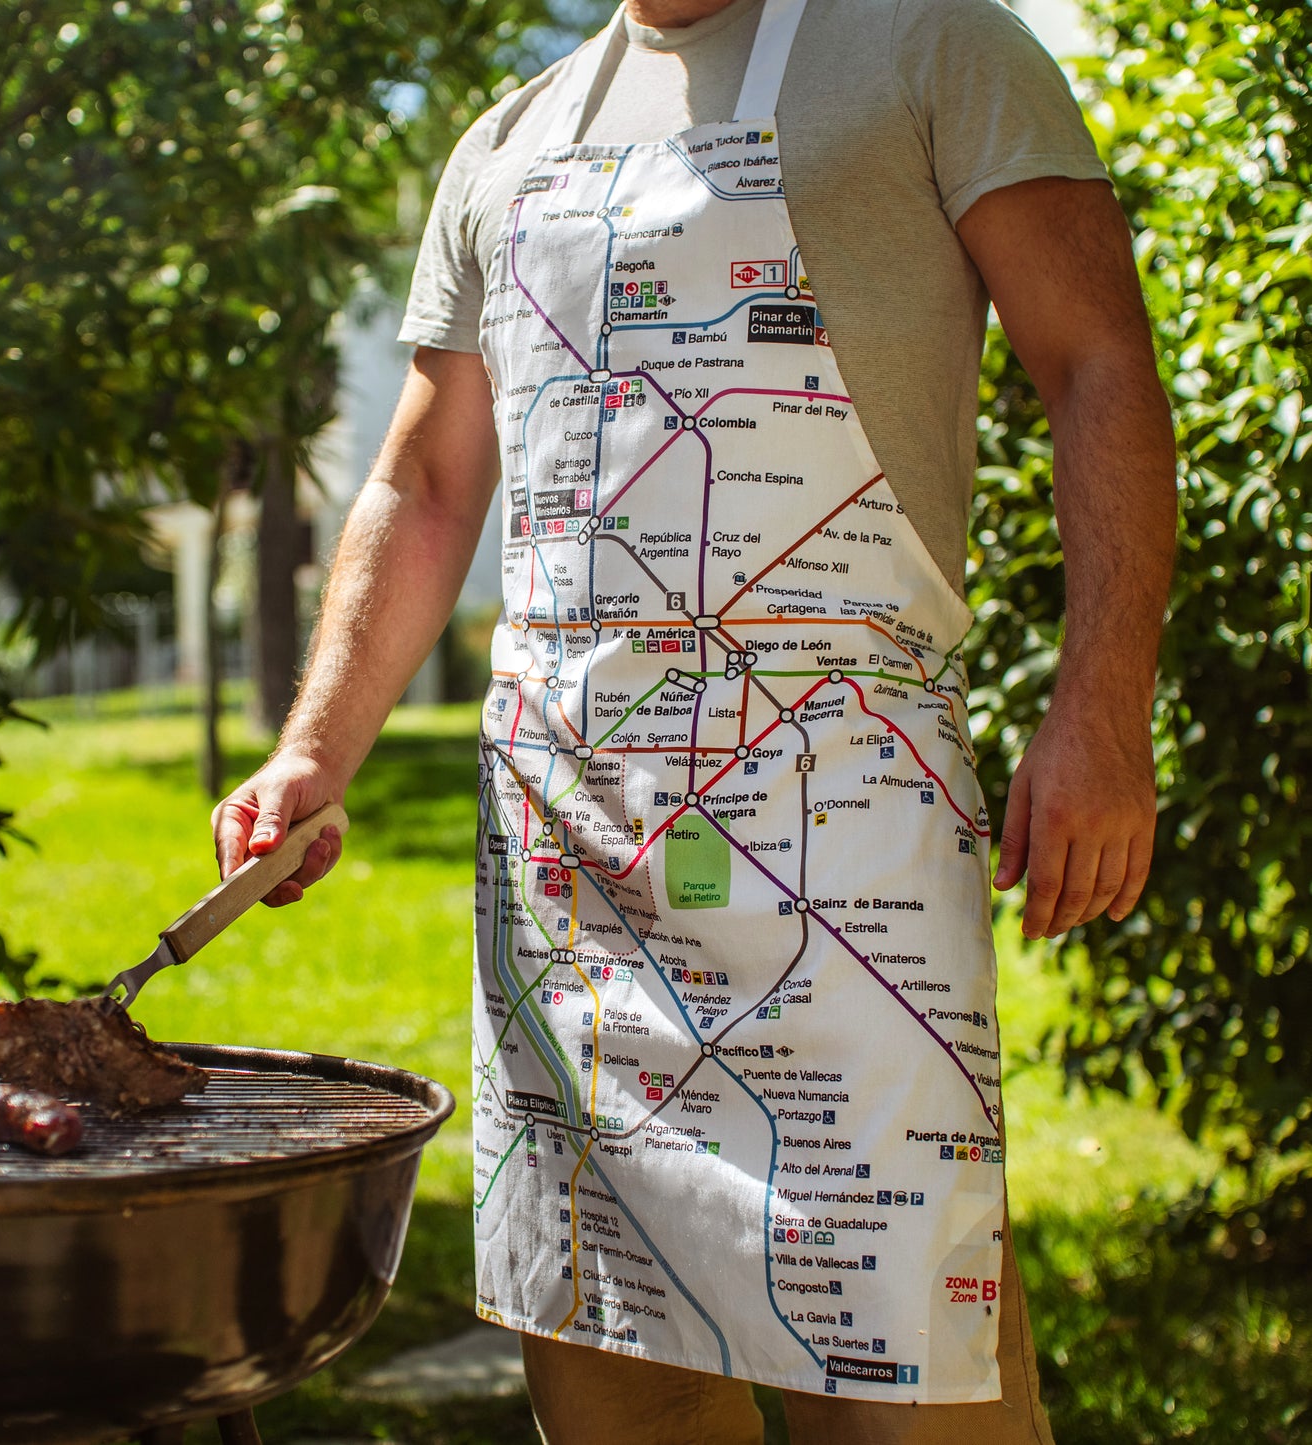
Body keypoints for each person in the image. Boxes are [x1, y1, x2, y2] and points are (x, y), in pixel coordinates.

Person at [212, 0, 1176, 1439]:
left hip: (834, 843)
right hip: (570, 869)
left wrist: (1101, 705)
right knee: (618, 1384)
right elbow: (426, 482)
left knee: (896, 1362)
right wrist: (314, 749)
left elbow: (1098, 363)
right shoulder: (505, 142)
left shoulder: (932, 48)